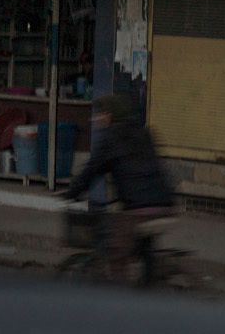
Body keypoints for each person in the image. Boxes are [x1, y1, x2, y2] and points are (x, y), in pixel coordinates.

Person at [66, 94, 176, 281]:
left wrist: (72, 192)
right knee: (143, 248)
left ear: (109, 116)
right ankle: (148, 287)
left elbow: (92, 170)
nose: (95, 119)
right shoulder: (144, 132)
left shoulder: (111, 137)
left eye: (99, 114)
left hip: (139, 208)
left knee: (116, 253)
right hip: (165, 204)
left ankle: (120, 300)